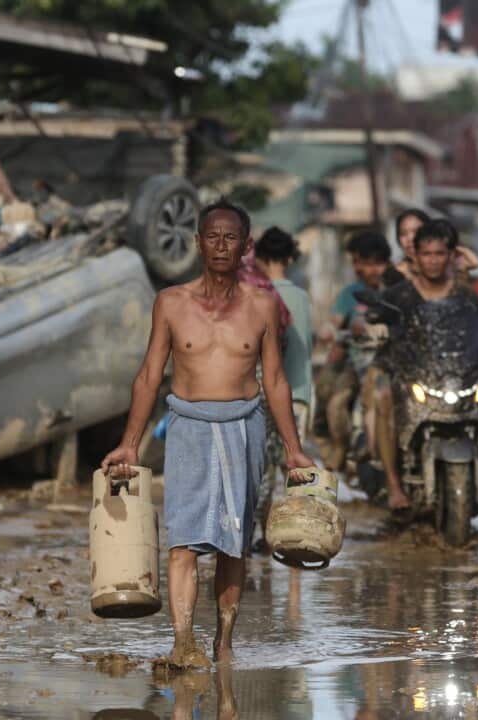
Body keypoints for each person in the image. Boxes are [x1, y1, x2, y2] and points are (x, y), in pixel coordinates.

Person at [102, 199, 313, 668]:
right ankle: (182, 641)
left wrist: (294, 450)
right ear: (197, 243)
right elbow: (149, 376)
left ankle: (223, 641)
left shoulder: (263, 305)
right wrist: (129, 444)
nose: (221, 245)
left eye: (230, 237)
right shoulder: (171, 302)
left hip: (244, 427)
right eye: (212, 237)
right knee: (183, 541)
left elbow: (275, 379)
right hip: (188, 429)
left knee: (233, 544)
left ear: (246, 246)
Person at [370, 220, 478, 510]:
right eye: (427, 254)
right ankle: (393, 484)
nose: (433, 260)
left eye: (439, 254)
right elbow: (370, 320)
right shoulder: (399, 295)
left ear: (450, 256)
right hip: (413, 376)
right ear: (416, 256)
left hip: (457, 376)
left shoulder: (466, 295)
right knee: (383, 397)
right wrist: (375, 329)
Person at [252, 227, 314, 551]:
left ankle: (262, 534)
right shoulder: (301, 297)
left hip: (264, 394)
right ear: (290, 258)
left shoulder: (254, 295)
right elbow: (306, 352)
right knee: (294, 469)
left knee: (263, 469)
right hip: (298, 393)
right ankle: (294, 538)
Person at [315, 231, 393, 470]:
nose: (372, 270)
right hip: (358, 363)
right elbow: (335, 321)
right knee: (335, 402)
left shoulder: (396, 290)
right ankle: (339, 449)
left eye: (378, 263)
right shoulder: (350, 293)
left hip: (392, 362)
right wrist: (329, 330)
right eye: (367, 263)